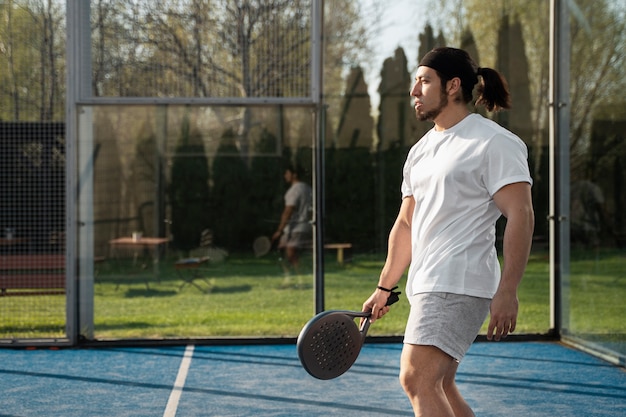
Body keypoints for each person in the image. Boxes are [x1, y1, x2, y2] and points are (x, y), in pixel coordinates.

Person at [362, 47, 535, 417]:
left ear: (453, 86)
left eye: (424, 81)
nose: (414, 90)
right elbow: (406, 223)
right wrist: (384, 286)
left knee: (416, 379)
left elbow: (520, 214)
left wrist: (508, 291)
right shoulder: (420, 152)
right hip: (428, 284)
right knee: (439, 384)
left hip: (458, 281)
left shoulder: (494, 142)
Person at [272, 164, 312, 273]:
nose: (285, 176)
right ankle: (288, 280)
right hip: (303, 227)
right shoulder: (308, 188)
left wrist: (279, 230)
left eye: (287, 173)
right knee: (283, 253)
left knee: (291, 255)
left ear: (294, 175)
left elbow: (288, 210)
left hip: (296, 228)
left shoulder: (294, 190)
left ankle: (300, 281)